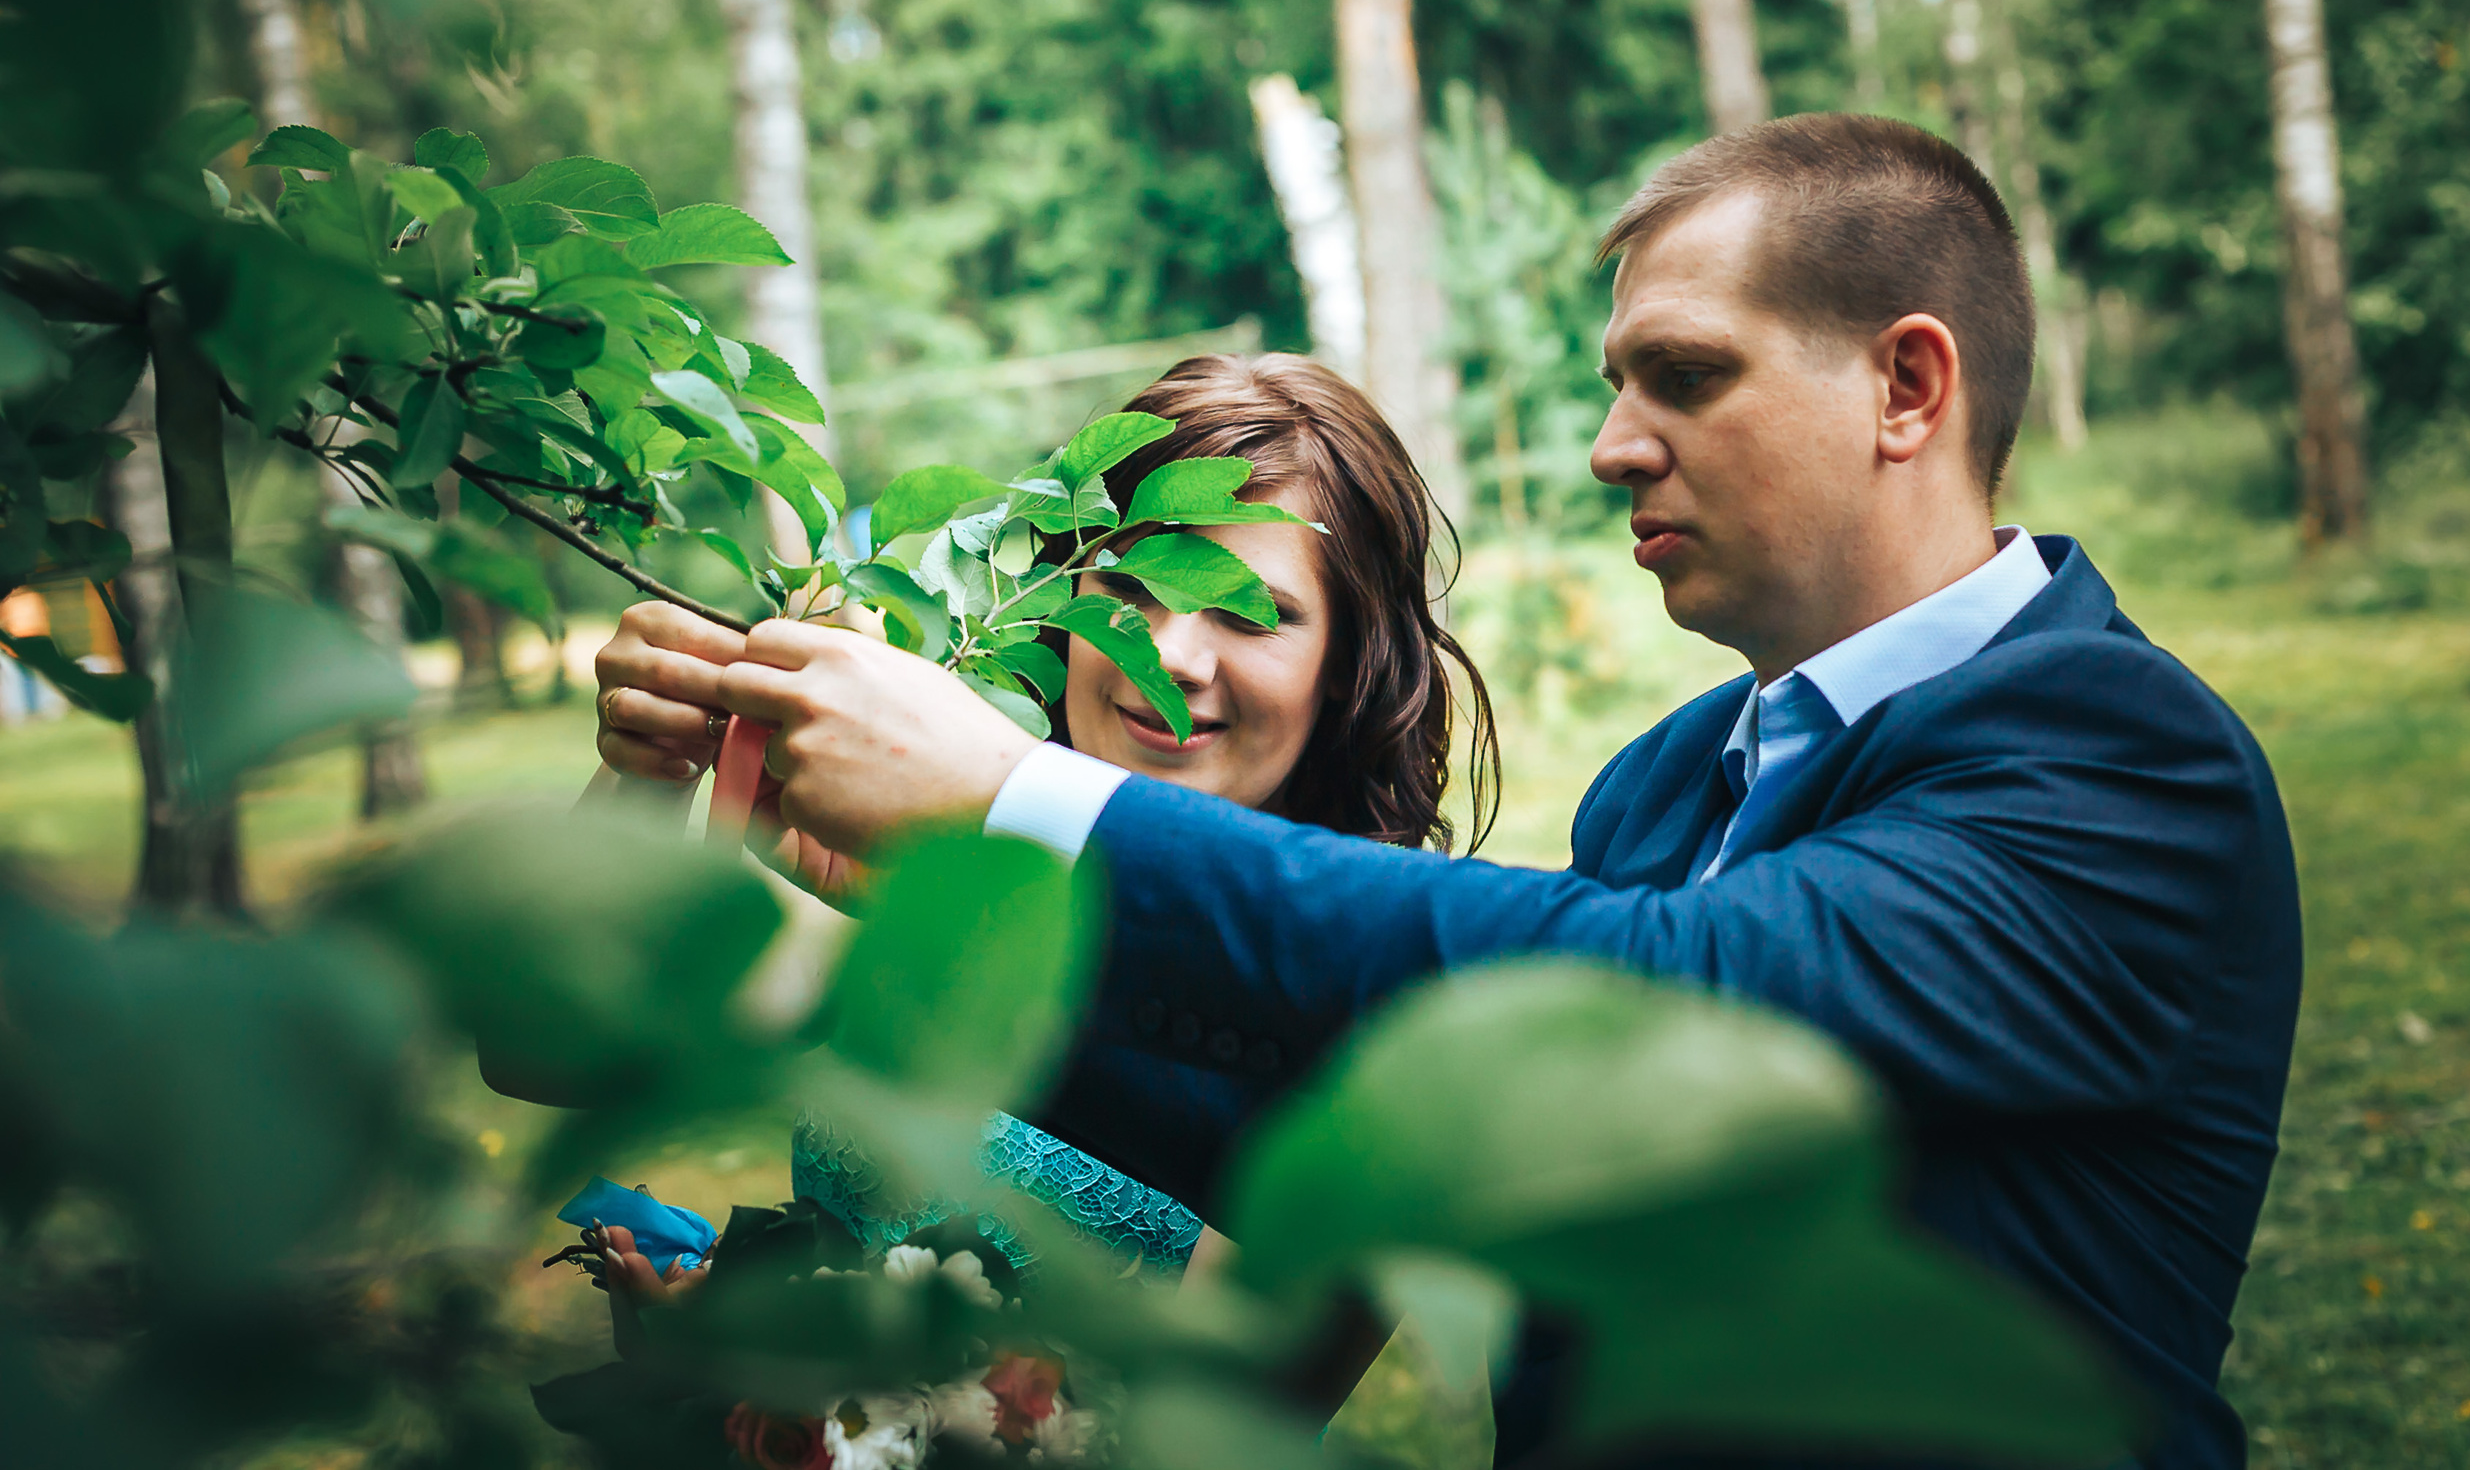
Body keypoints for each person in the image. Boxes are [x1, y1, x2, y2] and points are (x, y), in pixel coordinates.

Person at [598, 115, 2302, 1470]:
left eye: (1686, 375)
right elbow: (1388, 1101)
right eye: (1615, 385)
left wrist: (1017, 801)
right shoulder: (1664, 785)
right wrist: (909, 901)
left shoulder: (2117, 754)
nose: (1612, 444)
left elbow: (1670, 1006)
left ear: (1907, 387)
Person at [591, 351, 1499, 1284]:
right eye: (1131, 588)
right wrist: (646, 770)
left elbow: (1222, 1405)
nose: (1171, 655)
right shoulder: (928, 853)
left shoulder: (1368, 1013)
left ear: (1352, 667)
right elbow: (562, 1055)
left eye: (1252, 614)